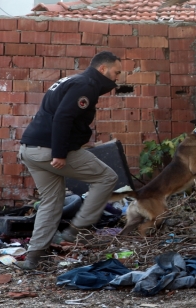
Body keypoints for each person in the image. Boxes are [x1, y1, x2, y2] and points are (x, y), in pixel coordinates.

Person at [16, 51, 123, 270]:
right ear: (103, 69)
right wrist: (59, 153)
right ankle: (78, 230)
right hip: (49, 150)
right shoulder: (86, 86)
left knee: (51, 202)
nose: (117, 78)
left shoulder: (74, 80)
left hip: (30, 149)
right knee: (106, 177)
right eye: (116, 72)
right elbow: (63, 117)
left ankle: (34, 257)